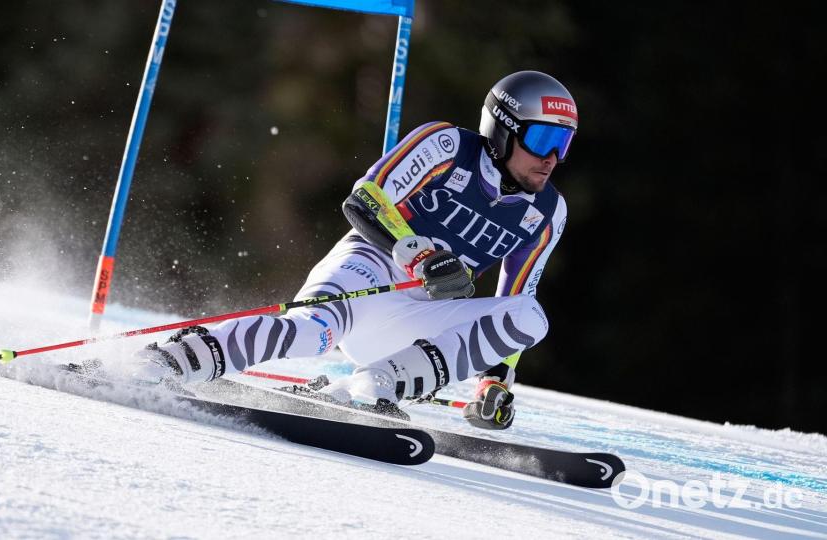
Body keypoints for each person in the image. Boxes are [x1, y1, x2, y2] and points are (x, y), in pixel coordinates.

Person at [131, 70, 578, 430]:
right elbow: (366, 198)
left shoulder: (547, 212)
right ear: (502, 130)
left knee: (531, 317)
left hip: (411, 320)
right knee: (310, 333)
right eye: (542, 141)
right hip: (369, 268)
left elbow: (514, 299)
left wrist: (494, 381)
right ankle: (171, 359)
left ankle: (376, 386)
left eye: (563, 144)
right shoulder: (447, 145)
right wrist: (418, 254)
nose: (551, 159)